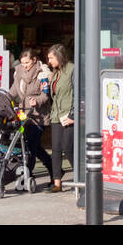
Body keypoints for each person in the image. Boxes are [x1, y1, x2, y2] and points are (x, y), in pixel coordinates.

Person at [9, 47, 52, 185]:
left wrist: (37, 100)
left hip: (39, 115)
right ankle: (53, 168)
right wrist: (5, 99)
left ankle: (28, 174)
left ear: (34, 60)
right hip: (24, 115)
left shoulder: (42, 73)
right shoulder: (19, 72)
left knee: (31, 147)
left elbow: (46, 95)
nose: (24, 65)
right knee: (33, 146)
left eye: (27, 62)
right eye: (22, 63)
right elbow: (14, 91)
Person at [46, 44, 74, 192]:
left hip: (68, 114)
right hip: (56, 115)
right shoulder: (55, 73)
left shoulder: (72, 70)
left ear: (59, 56)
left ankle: (81, 176)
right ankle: (57, 183)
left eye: (51, 58)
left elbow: (78, 93)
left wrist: (73, 115)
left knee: (68, 147)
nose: (49, 61)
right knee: (56, 149)